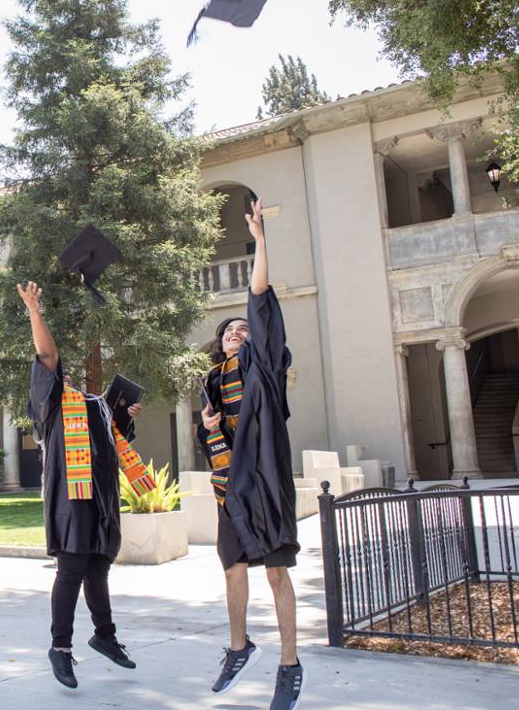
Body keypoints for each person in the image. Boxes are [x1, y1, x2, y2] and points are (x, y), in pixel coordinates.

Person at [19, 280, 154, 690]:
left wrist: (126, 415)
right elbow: (46, 354)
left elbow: (115, 442)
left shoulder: (96, 406)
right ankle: (60, 648)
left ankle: (104, 636)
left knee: (98, 567)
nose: (63, 373)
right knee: (72, 568)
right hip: (71, 499)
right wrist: (34, 311)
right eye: (57, 373)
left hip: (102, 499)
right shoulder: (52, 404)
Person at [197, 197, 303, 710]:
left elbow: (259, 296)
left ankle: (290, 664)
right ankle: (239, 648)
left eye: (243, 329)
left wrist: (261, 241)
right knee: (233, 568)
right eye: (228, 331)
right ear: (219, 344)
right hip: (229, 490)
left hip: (266, 483)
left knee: (276, 571)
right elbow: (213, 446)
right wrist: (208, 427)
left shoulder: (265, 368)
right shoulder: (213, 383)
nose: (236, 333)